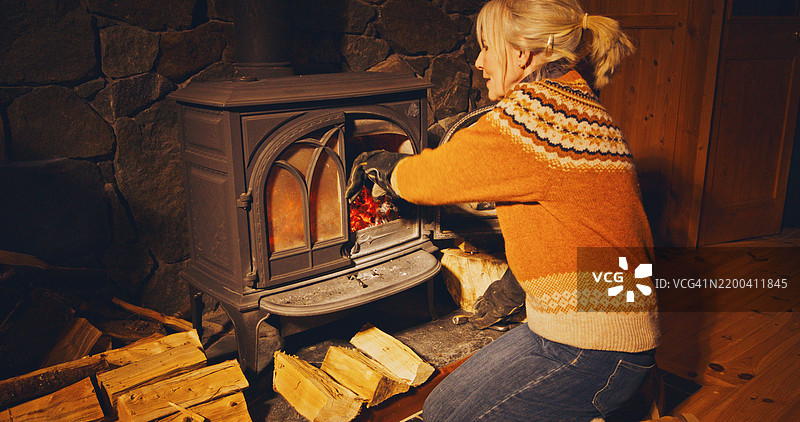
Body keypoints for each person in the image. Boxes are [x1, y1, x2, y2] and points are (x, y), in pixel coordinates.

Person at [346, 0, 660, 420]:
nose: (478, 62)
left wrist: (380, 165)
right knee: (441, 405)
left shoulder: (533, 119)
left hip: (596, 348)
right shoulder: (578, 104)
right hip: (613, 325)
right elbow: (583, 222)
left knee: (443, 417)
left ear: (521, 53)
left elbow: (428, 179)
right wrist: (525, 283)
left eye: (486, 47)